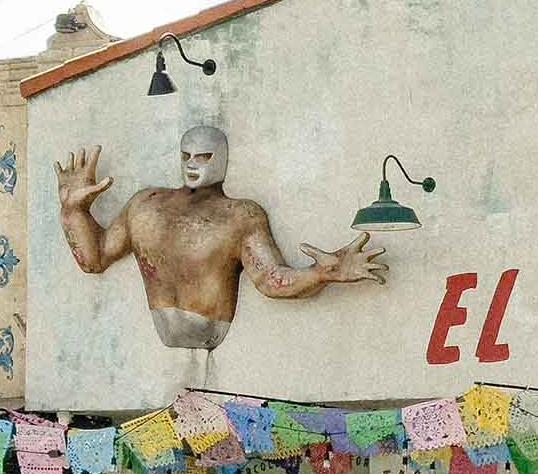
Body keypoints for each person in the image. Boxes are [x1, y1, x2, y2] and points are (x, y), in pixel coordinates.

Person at [54, 128, 388, 350]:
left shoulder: (239, 215)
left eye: (204, 157)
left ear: (223, 159)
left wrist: (323, 273)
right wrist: (73, 211)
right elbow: (95, 258)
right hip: (160, 353)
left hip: (212, 338)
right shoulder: (145, 204)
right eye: (186, 156)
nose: (192, 164)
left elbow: (271, 279)